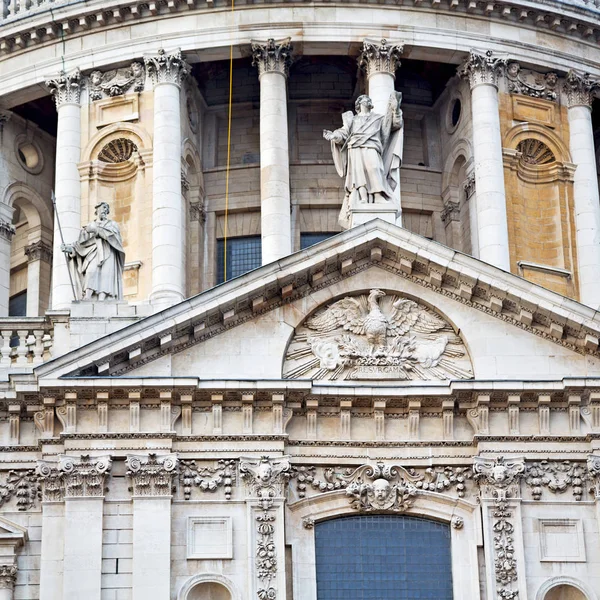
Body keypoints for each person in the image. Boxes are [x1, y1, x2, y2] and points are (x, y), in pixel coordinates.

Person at [323, 92, 403, 227]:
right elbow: (343, 133)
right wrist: (334, 136)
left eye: (368, 99)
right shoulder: (352, 120)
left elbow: (394, 125)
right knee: (359, 174)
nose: (367, 100)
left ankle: (378, 196)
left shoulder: (378, 119)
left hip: (372, 146)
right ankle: (363, 199)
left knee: (375, 168)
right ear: (358, 104)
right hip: (355, 148)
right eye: (364, 99)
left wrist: (395, 109)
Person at [61, 202, 125, 301]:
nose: (105, 210)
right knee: (91, 271)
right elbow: (81, 244)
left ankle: (102, 298)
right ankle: (87, 296)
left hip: (109, 252)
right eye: (103, 208)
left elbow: (116, 240)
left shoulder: (112, 224)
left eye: (106, 209)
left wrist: (97, 230)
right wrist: (70, 249)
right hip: (93, 253)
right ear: (97, 210)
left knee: (106, 274)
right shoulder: (89, 226)